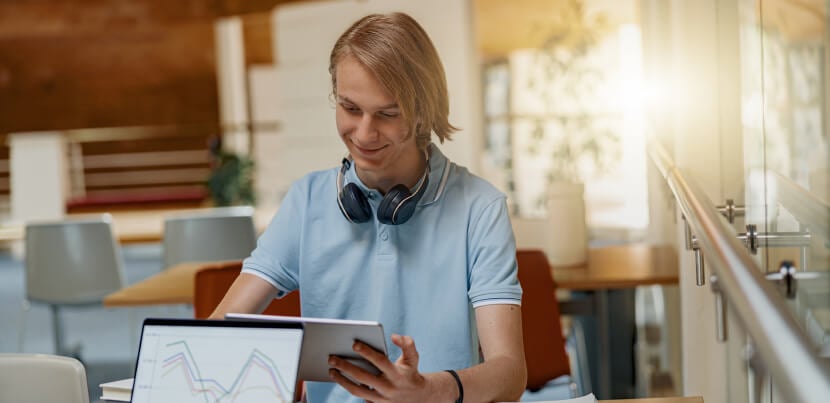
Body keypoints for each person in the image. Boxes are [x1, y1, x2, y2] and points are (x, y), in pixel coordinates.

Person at [210, 12, 527, 403]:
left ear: (423, 111)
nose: (363, 133)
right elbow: (219, 331)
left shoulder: (480, 208)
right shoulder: (306, 200)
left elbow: (510, 373)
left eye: (387, 114)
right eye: (350, 108)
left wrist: (430, 391)